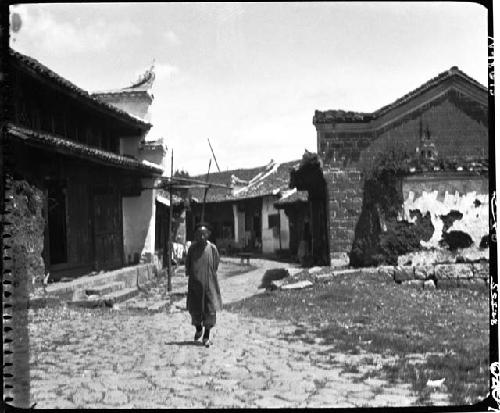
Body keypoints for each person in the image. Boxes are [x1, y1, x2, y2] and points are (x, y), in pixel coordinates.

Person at [185, 223, 222, 347]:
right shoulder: (192, 249)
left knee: (210, 310)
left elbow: (215, 264)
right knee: (194, 309)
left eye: (204, 234)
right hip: (195, 284)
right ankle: (198, 328)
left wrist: (209, 275)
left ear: (207, 235)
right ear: (195, 235)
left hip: (209, 284)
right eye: (199, 234)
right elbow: (188, 265)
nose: (201, 237)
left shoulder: (212, 249)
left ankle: (206, 336)